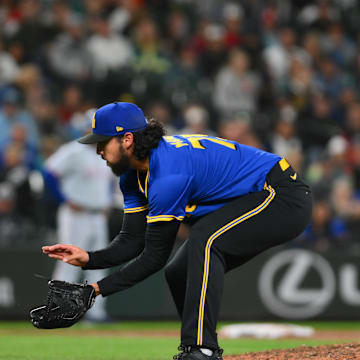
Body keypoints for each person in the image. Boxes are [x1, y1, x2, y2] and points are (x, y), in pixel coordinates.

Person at [42, 102, 312, 359]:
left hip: (280, 196)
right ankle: (196, 346)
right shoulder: (132, 176)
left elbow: (154, 257)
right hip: (251, 198)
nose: (98, 150)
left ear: (127, 140)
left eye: (102, 142)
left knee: (205, 240)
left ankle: (201, 349)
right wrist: (91, 259)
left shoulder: (167, 175)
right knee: (178, 272)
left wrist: (95, 289)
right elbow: (133, 241)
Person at [43, 120, 115, 322]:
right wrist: (64, 199)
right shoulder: (73, 150)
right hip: (76, 215)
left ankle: (96, 313)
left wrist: (108, 200)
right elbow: (48, 173)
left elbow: (109, 182)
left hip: (98, 215)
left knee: (99, 263)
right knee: (68, 262)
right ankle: (58, 311)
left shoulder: (105, 152)